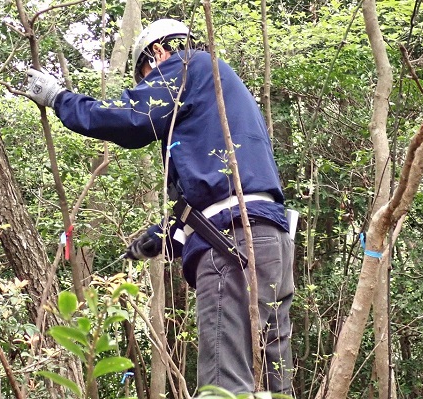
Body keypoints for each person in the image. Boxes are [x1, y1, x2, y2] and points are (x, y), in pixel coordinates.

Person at [25, 18, 294, 395]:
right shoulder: (222, 96)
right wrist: (167, 235)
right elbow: (220, 189)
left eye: (147, 76)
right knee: (273, 383)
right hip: (270, 241)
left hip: (231, 243)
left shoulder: (189, 65)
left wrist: (59, 99)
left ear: (159, 53)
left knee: (224, 386)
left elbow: (134, 117)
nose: (149, 85)